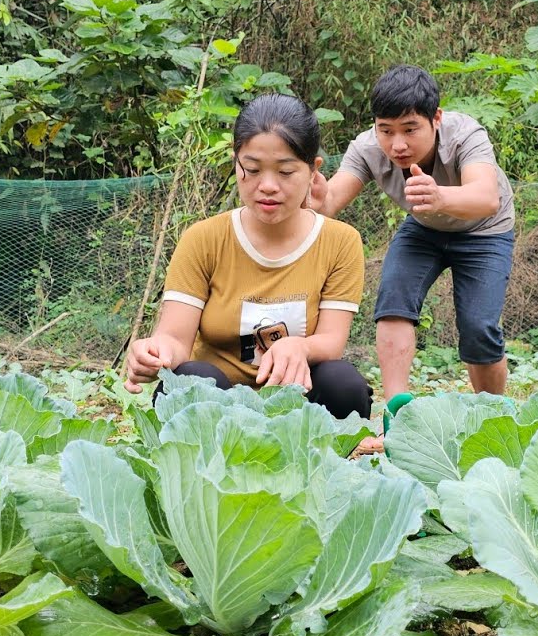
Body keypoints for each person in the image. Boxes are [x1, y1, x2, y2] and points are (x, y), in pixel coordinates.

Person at [123, 93, 373, 421]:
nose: (267, 185)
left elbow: (331, 340)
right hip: (220, 407)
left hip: (297, 404)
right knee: (189, 381)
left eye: (285, 172)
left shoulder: (340, 242)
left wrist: (300, 346)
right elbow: (175, 338)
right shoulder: (204, 239)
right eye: (252, 169)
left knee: (343, 385)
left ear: (313, 172)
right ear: (236, 162)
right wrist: (156, 354)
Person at [310, 65, 515, 449]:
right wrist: (317, 199)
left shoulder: (464, 134)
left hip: (486, 230)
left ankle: (493, 415)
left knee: (479, 330)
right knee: (393, 302)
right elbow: (331, 199)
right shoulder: (368, 147)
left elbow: (487, 197)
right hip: (423, 230)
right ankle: (397, 417)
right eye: (386, 130)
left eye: (409, 129)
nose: (397, 144)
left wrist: (441, 197)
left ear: (435, 118)